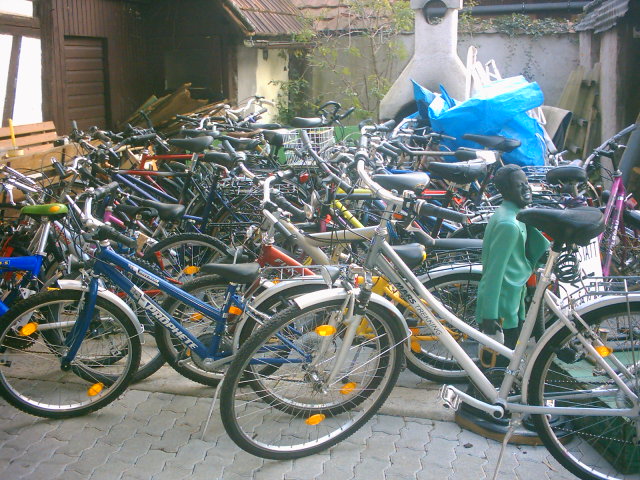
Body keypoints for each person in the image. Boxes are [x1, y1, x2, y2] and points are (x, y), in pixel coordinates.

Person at [476, 164, 549, 367]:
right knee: (500, 360)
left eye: (526, 183)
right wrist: (490, 316)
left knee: (510, 354)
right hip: (503, 308)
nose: (526, 188)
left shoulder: (515, 214)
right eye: (519, 185)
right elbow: (493, 273)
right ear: (506, 190)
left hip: (514, 299)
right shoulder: (508, 225)